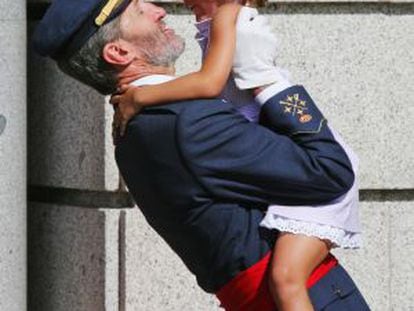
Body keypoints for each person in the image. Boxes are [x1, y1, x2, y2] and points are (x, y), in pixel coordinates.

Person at [32, 0, 370, 310]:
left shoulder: (138, 127)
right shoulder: (185, 122)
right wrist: (268, 82)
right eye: (139, 10)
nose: (160, 10)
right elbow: (330, 171)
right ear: (119, 52)